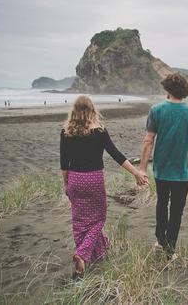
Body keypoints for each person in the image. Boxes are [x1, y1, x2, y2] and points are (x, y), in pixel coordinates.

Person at [60, 95, 146, 277]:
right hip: (94, 180)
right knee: (98, 219)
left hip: (75, 180)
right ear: (92, 110)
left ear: (74, 111)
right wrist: (136, 172)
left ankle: (96, 254)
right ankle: (82, 254)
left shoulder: (66, 132)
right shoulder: (100, 131)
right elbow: (117, 155)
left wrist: (66, 184)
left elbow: (63, 163)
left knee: (80, 221)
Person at [138, 73, 188, 259]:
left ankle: (160, 240)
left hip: (162, 169)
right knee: (176, 210)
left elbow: (148, 141)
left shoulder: (156, 110)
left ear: (167, 90)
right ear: (184, 91)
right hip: (182, 171)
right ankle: (170, 249)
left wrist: (142, 168)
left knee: (161, 204)